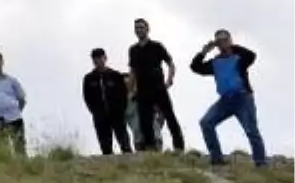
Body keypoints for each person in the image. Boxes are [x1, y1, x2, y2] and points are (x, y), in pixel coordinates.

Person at [190, 30, 267, 167]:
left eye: (225, 40)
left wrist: (232, 47)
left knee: (252, 131)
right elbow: (195, 67)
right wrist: (204, 52)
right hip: (225, 101)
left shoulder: (240, 58)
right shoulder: (215, 62)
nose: (222, 43)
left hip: (242, 98)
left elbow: (252, 55)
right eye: (219, 41)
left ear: (230, 40)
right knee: (206, 123)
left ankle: (261, 164)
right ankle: (217, 159)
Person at [128, 18, 184, 152]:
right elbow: (132, 71)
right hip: (142, 90)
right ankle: (151, 149)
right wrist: (131, 90)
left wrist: (169, 79)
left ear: (147, 29)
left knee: (170, 117)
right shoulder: (133, 50)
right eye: (137, 28)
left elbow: (170, 63)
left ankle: (179, 147)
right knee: (145, 122)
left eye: (141, 27)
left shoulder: (156, 46)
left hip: (158, 87)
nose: (139, 30)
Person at [82, 48, 132, 156]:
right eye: (95, 59)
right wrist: (95, 111)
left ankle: (129, 161)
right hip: (100, 115)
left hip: (117, 114)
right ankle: (109, 167)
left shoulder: (115, 75)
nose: (98, 61)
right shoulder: (89, 78)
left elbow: (124, 95)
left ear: (105, 58)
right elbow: (87, 97)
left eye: (100, 58)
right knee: (105, 146)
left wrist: (121, 110)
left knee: (124, 142)